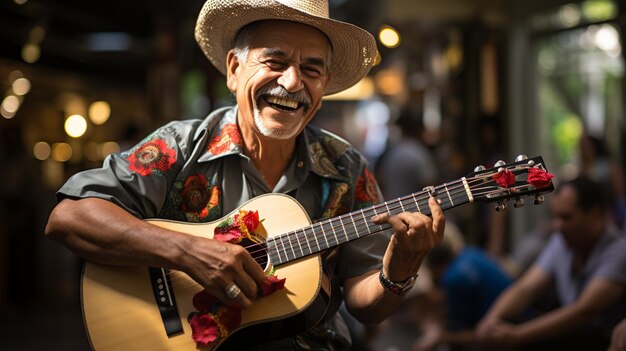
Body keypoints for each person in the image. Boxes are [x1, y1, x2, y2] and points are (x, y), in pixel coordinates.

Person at [44, 1, 445, 350]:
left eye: (311, 68)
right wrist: (187, 252)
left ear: (323, 88)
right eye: (275, 61)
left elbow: (365, 305)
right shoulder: (180, 147)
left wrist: (400, 271)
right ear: (234, 69)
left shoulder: (347, 167)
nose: (292, 82)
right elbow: (69, 217)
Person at [476, 176, 626, 350]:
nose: (557, 226)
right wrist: (491, 320)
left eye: (566, 217)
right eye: (554, 217)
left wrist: (517, 335)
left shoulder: (619, 250)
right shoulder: (562, 241)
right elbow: (526, 288)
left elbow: (584, 311)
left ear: (594, 213)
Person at [411, 223, 512, 351]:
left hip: (509, 330)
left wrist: (440, 338)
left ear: (433, 266)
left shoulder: (453, 279)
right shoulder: (471, 252)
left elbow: (469, 332)